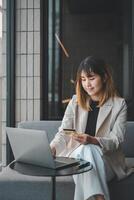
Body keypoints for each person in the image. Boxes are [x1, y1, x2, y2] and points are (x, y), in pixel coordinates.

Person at [50, 56, 130, 200]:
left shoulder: (119, 105)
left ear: (104, 77)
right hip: (76, 156)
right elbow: (64, 132)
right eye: (83, 79)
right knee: (85, 151)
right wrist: (52, 148)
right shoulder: (75, 102)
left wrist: (93, 140)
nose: (87, 84)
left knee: (89, 149)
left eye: (91, 78)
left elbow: (116, 140)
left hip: (106, 160)